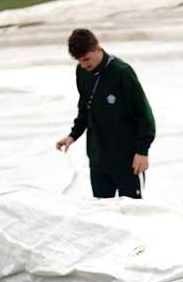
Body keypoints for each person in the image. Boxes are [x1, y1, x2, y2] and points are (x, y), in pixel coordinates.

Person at [54, 28, 155, 198]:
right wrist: (73, 135)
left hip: (126, 159)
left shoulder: (122, 73)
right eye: (80, 61)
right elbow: (85, 107)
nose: (85, 65)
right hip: (98, 159)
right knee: (103, 211)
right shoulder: (82, 72)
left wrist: (142, 151)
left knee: (132, 211)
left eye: (87, 59)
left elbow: (144, 115)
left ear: (98, 49)